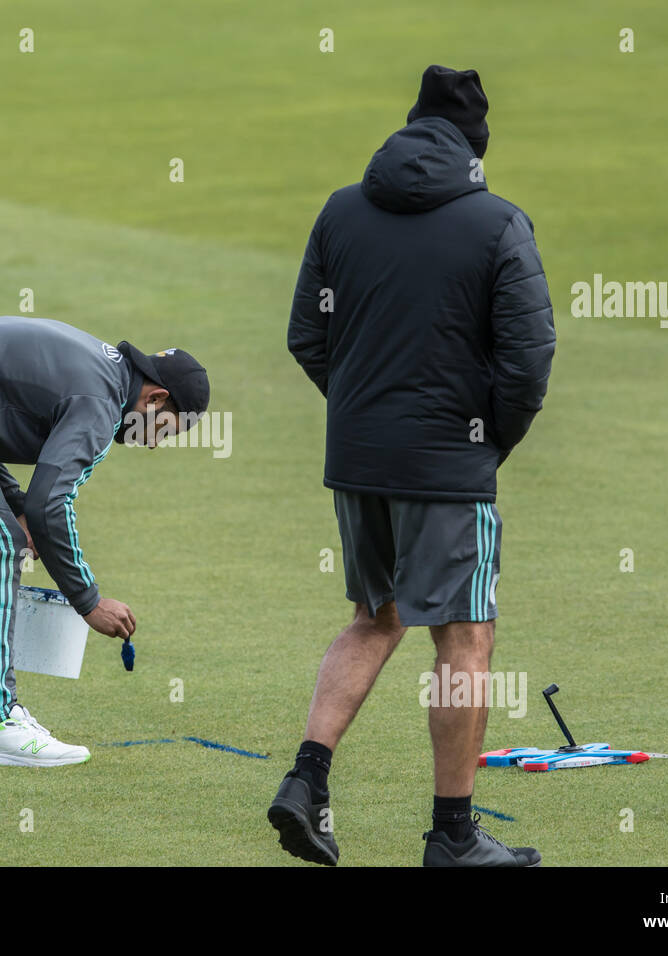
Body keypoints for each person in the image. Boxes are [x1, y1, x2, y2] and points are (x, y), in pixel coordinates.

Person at [271, 65, 556, 866]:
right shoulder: (499, 224)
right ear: (477, 146)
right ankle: (454, 836)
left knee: (375, 616)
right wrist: (484, 441)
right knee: (465, 637)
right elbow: (529, 361)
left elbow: (307, 337)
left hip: (358, 460)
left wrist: (364, 414)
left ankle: (305, 782)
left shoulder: (341, 211)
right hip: (447, 466)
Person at [0, 317, 210, 766]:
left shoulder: (104, 376)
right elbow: (51, 503)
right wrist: (88, 601)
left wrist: (15, 501)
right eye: (165, 430)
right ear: (156, 397)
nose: (153, 445)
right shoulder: (101, 402)